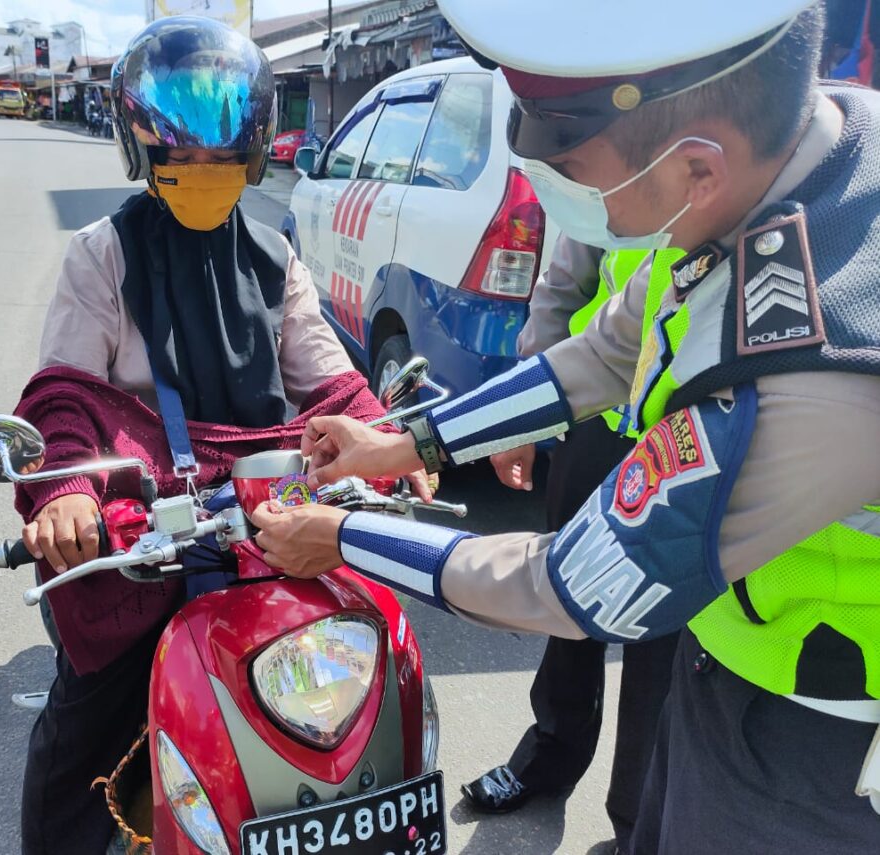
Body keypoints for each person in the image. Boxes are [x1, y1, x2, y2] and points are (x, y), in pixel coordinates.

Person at [251, 3, 880, 852]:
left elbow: (572, 585)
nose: (561, 202)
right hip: (734, 649)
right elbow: (604, 350)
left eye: (575, 177)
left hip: (817, 738)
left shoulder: (805, 368)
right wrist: (400, 444)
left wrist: (345, 536)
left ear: (697, 168)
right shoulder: (798, 155)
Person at [11, 17, 429, 855]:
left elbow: (330, 377)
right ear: (143, 148)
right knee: (86, 721)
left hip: (270, 523)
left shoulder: (277, 255)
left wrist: (396, 442)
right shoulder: (105, 253)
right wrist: (64, 490)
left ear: (252, 149)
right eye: (183, 155)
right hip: (151, 534)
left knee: (385, 673)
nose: (203, 172)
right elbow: (65, 394)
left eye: (219, 154)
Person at [463, 244, 682, 854]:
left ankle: (637, 825)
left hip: (689, 437)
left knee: (661, 640)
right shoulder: (609, 166)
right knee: (568, 596)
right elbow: (562, 289)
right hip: (600, 418)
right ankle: (550, 755)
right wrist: (520, 417)